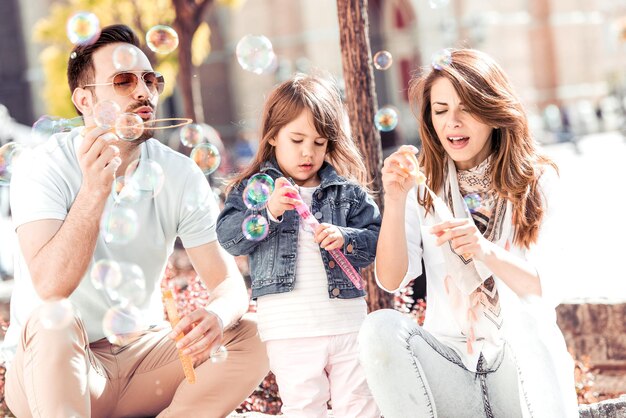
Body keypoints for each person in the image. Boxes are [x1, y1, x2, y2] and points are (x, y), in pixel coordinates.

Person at [2, 24, 268, 418]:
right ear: (85, 100)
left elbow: (227, 283)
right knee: (53, 320)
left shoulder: (178, 172)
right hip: (54, 368)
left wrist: (218, 314)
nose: (144, 92)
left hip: (143, 362)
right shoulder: (42, 166)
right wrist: (94, 191)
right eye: (124, 81)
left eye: (150, 80)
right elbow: (50, 285)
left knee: (254, 335)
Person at [358, 49, 578, 417]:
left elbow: (546, 287)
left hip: (518, 366)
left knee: (529, 320)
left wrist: (484, 250)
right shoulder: (421, 186)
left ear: (492, 112)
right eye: (441, 110)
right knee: (379, 327)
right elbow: (392, 279)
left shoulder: (536, 180)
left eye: (467, 108)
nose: (453, 122)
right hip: (453, 364)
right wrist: (395, 201)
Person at [216, 74, 381, 418]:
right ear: (273, 135)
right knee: (304, 407)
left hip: (347, 322)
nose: (308, 152)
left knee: (360, 406)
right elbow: (229, 237)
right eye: (297, 139)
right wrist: (269, 210)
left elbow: (378, 239)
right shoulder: (254, 189)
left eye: (319, 143)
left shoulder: (346, 192)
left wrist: (346, 238)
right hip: (289, 327)